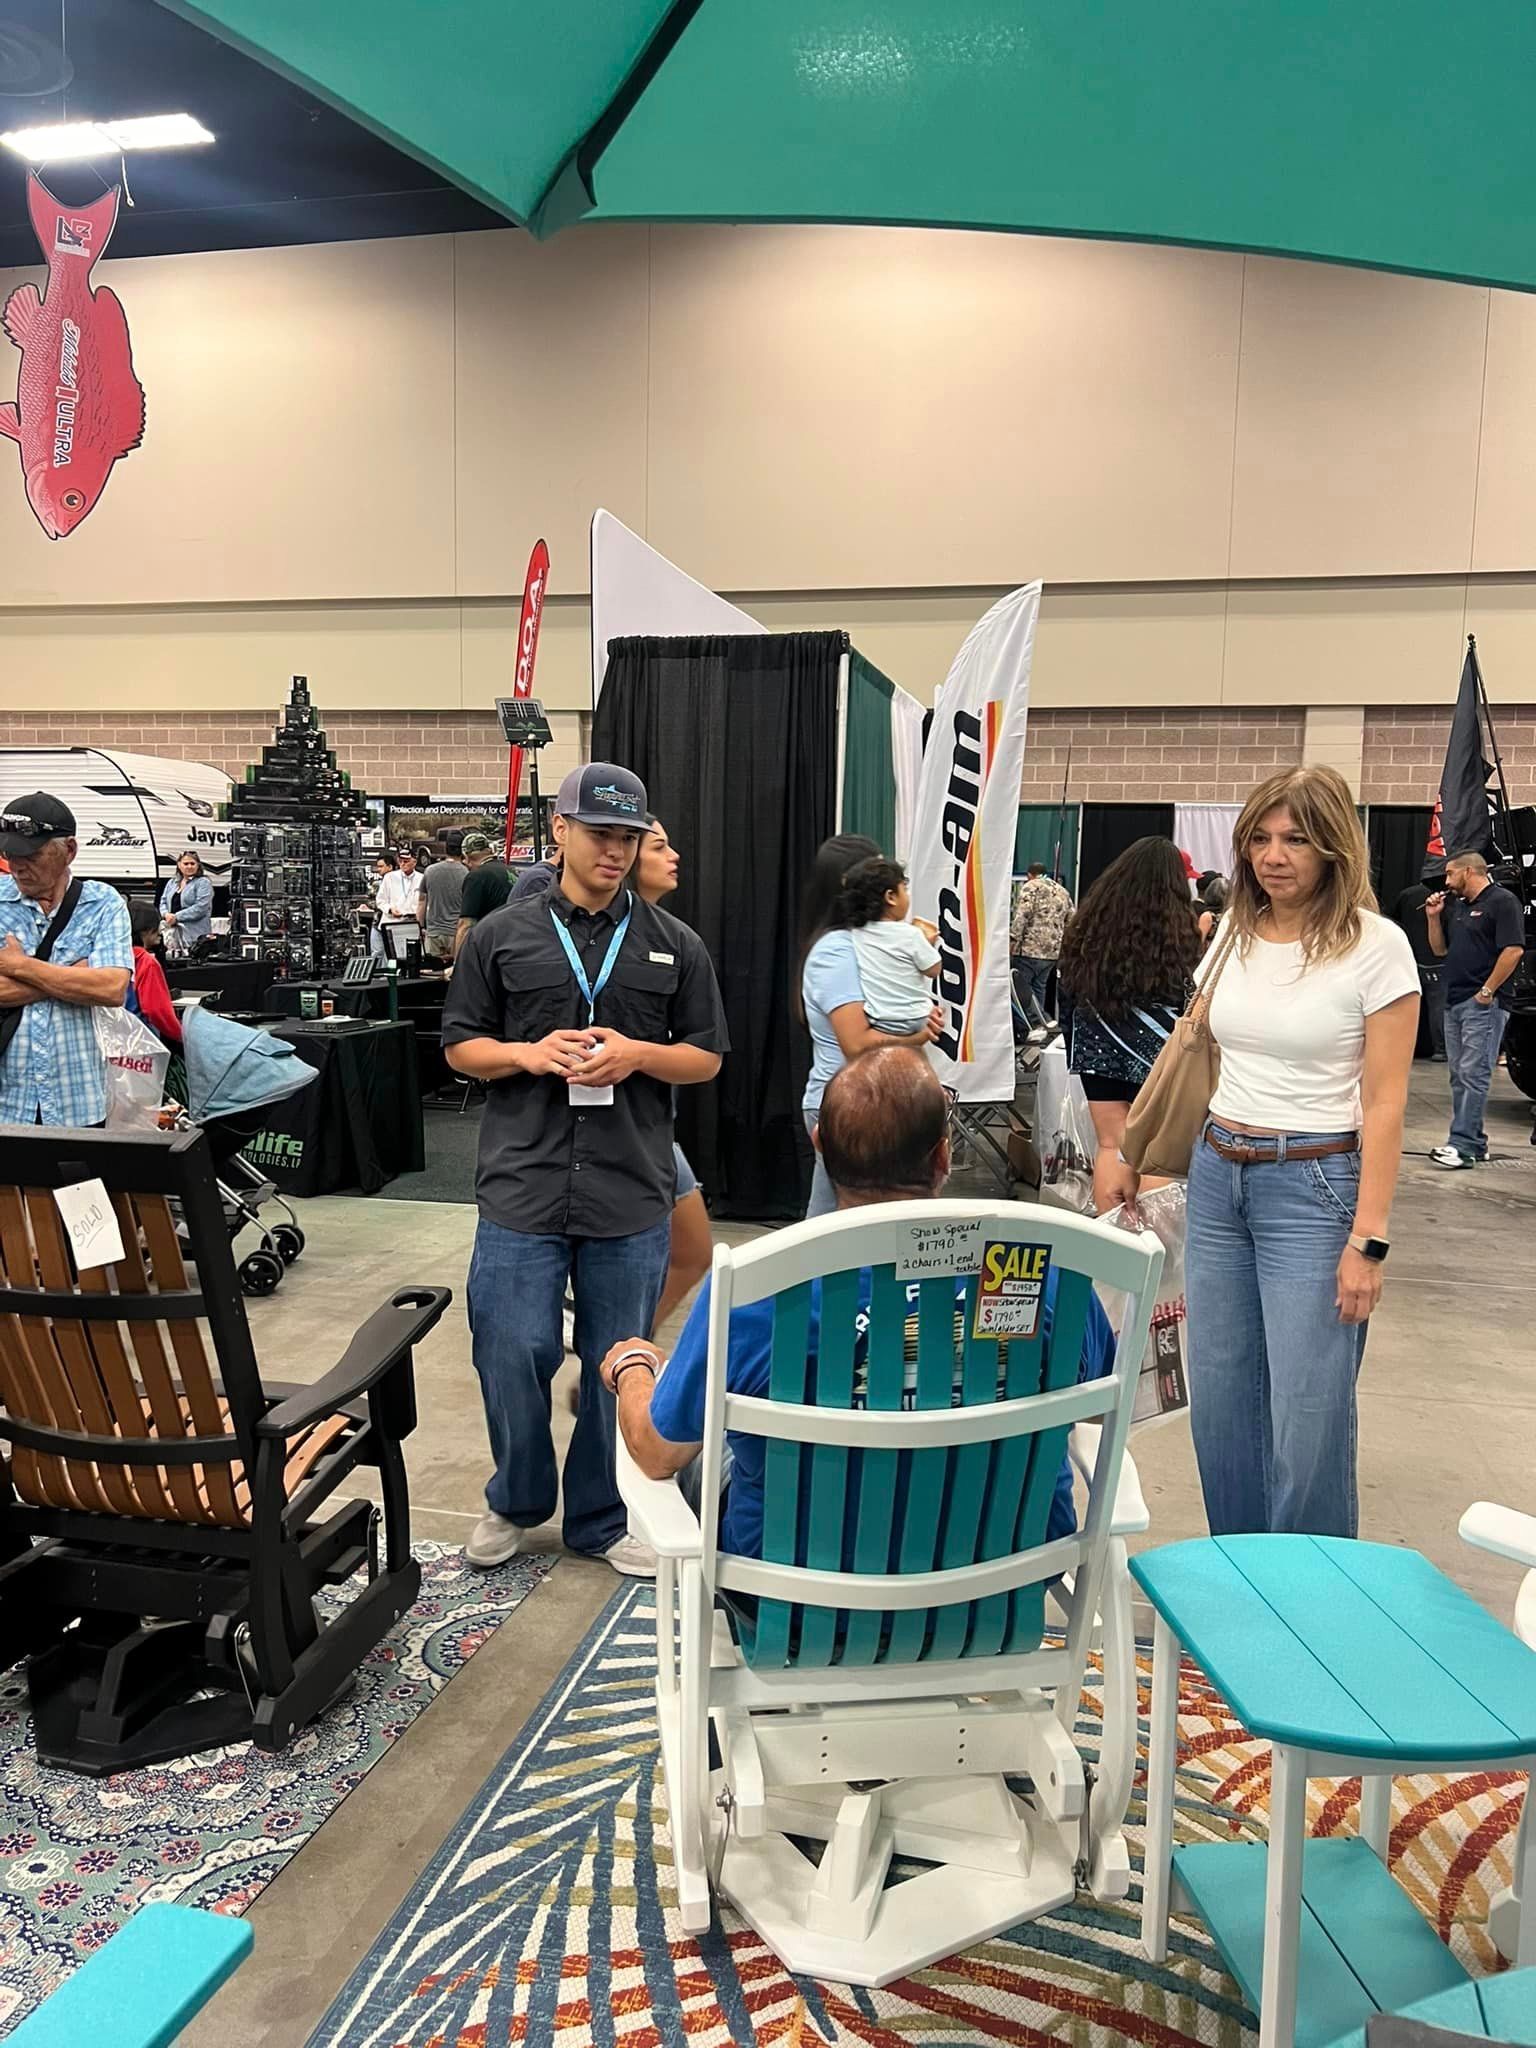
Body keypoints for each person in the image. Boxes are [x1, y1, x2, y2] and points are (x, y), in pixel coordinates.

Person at [602, 1046, 1114, 1558]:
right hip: (1005, 1587)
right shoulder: (1050, 1275)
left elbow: (655, 1451)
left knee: (709, 1441)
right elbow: (1096, 1414)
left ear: (819, 1146)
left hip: (799, 1608)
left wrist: (633, 1367)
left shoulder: (756, 1293)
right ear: (943, 1155)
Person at [442, 762, 730, 1578]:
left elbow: (706, 1058)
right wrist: (528, 1055)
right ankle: (517, 1496)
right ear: (561, 831)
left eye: (628, 837)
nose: (616, 850)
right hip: (522, 1181)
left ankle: (599, 1518)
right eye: (601, 834)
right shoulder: (503, 935)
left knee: (619, 1356)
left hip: (629, 1183)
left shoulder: (676, 947)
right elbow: (462, 1046)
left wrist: (639, 1053)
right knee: (511, 1345)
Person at [1184, 766, 1418, 1540]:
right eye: (1260, 837)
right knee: (1219, 1400)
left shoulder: (1376, 948)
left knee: (1309, 1412)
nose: (1272, 855)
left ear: (1334, 849)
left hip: (1314, 1186)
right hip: (1218, 1176)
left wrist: (1369, 1241)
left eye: (1295, 839)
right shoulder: (1231, 934)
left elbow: (1386, 1103)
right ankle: (1239, 1575)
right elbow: (1203, 1053)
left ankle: (1310, 1601)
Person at [797, 833, 941, 1222]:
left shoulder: (865, 942)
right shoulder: (837, 950)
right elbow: (857, 1043)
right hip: (849, 1103)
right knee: (835, 1224)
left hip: (880, 1100)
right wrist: (917, 1036)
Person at [1056, 837, 1202, 1214]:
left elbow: (1067, 994)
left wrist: (1077, 1046)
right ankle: (1156, 1243)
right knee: (1153, 1149)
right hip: (1157, 1060)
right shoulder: (1178, 931)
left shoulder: (1086, 928)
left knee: (1110, 1144)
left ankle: (1117, 1242)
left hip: (1097, 1055)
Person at [0, 794, 132, 1127]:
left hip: (79, 1100)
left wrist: (20, 967)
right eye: (9, 853)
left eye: (30, 855)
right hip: (7, 1103)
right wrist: (74, 977)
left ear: (69, 850)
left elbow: (112, 989)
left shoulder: (103, 903)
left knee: (77, 1180)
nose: (16, 866)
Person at [632, 814, 715, 1333]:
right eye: (659, 847)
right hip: (619, 1137)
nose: (674, 856)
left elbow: (703, 1054)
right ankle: (621, 1353)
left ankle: (626, 1350)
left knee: (693, 1249)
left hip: (655, 1128)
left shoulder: (675, 941)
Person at [1426, 850, 1527, 1169]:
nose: (1446, 881)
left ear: (1469, 872)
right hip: (1455, 1002)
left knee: (1474, 1073)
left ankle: (1463, 1146)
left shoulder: (1502, 901)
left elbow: (1513, 950)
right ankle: (1475, 1141)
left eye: (1450, 874)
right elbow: (1440, 949)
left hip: (1482, 1004)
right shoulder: (1459, 907)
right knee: (1460, 1075)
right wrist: (1433, 918)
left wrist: (1487, 992)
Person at [832, 856, 942, 1034]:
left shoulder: (856, 934)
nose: (907, 895)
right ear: (891, 897)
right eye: (904, 889)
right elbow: (933, 970)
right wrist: (926, 944)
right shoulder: (910, 934)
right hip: (917, 1018)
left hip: (880, 1020)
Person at [1392, 862, 1448, 1062]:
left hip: (1409, 957)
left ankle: (1401, 1047)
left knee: (1403, 1005)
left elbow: (1394, 920)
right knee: (1437, 1006)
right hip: (1435, 959)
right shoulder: (1446, 899)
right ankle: (1441, 1049)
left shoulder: (1407, 895)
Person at [1010, 861, 1074, 1027]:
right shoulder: (1063, 891)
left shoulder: (1031, 887)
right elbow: (1072, 920)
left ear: (1029, 875)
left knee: (1021, 991)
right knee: (1039, 989)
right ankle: (1040, 1023)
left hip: (1029, 950)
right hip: (1052, 953)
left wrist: (1013, 939)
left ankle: (1031, 1025)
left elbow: (1022, 915)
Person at [128, 899, 182, 1047]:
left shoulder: (110, 956)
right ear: (146, 929)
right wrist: (181, 1036)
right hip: (142, 1044)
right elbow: (157, 1010)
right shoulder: (146, 962)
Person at [454, 832, 511, 957]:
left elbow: (466, 925)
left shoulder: (476, 877)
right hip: (514, 946)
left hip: (492, 950)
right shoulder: (510, 870)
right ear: (489, 850)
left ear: (467, 858)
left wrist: (458, 966)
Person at [418, 829, 466, 963]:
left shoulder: (430, 871)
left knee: (431, 974)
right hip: (457, 933)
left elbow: (422, 902)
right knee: (457, 973)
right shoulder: (468, 873)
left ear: (446, 848)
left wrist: (419, 927)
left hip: (434, 933)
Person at [157, 851, 213, 959]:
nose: (189, 866)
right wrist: (166, 914)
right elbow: (162, 902)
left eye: (192, 863)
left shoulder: (203, 882)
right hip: (172, 935)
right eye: (186, 864)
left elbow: (201, 908)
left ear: (198, 865)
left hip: (194, 936)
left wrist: (177, 917)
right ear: (179, 865)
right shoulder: (172, 882)